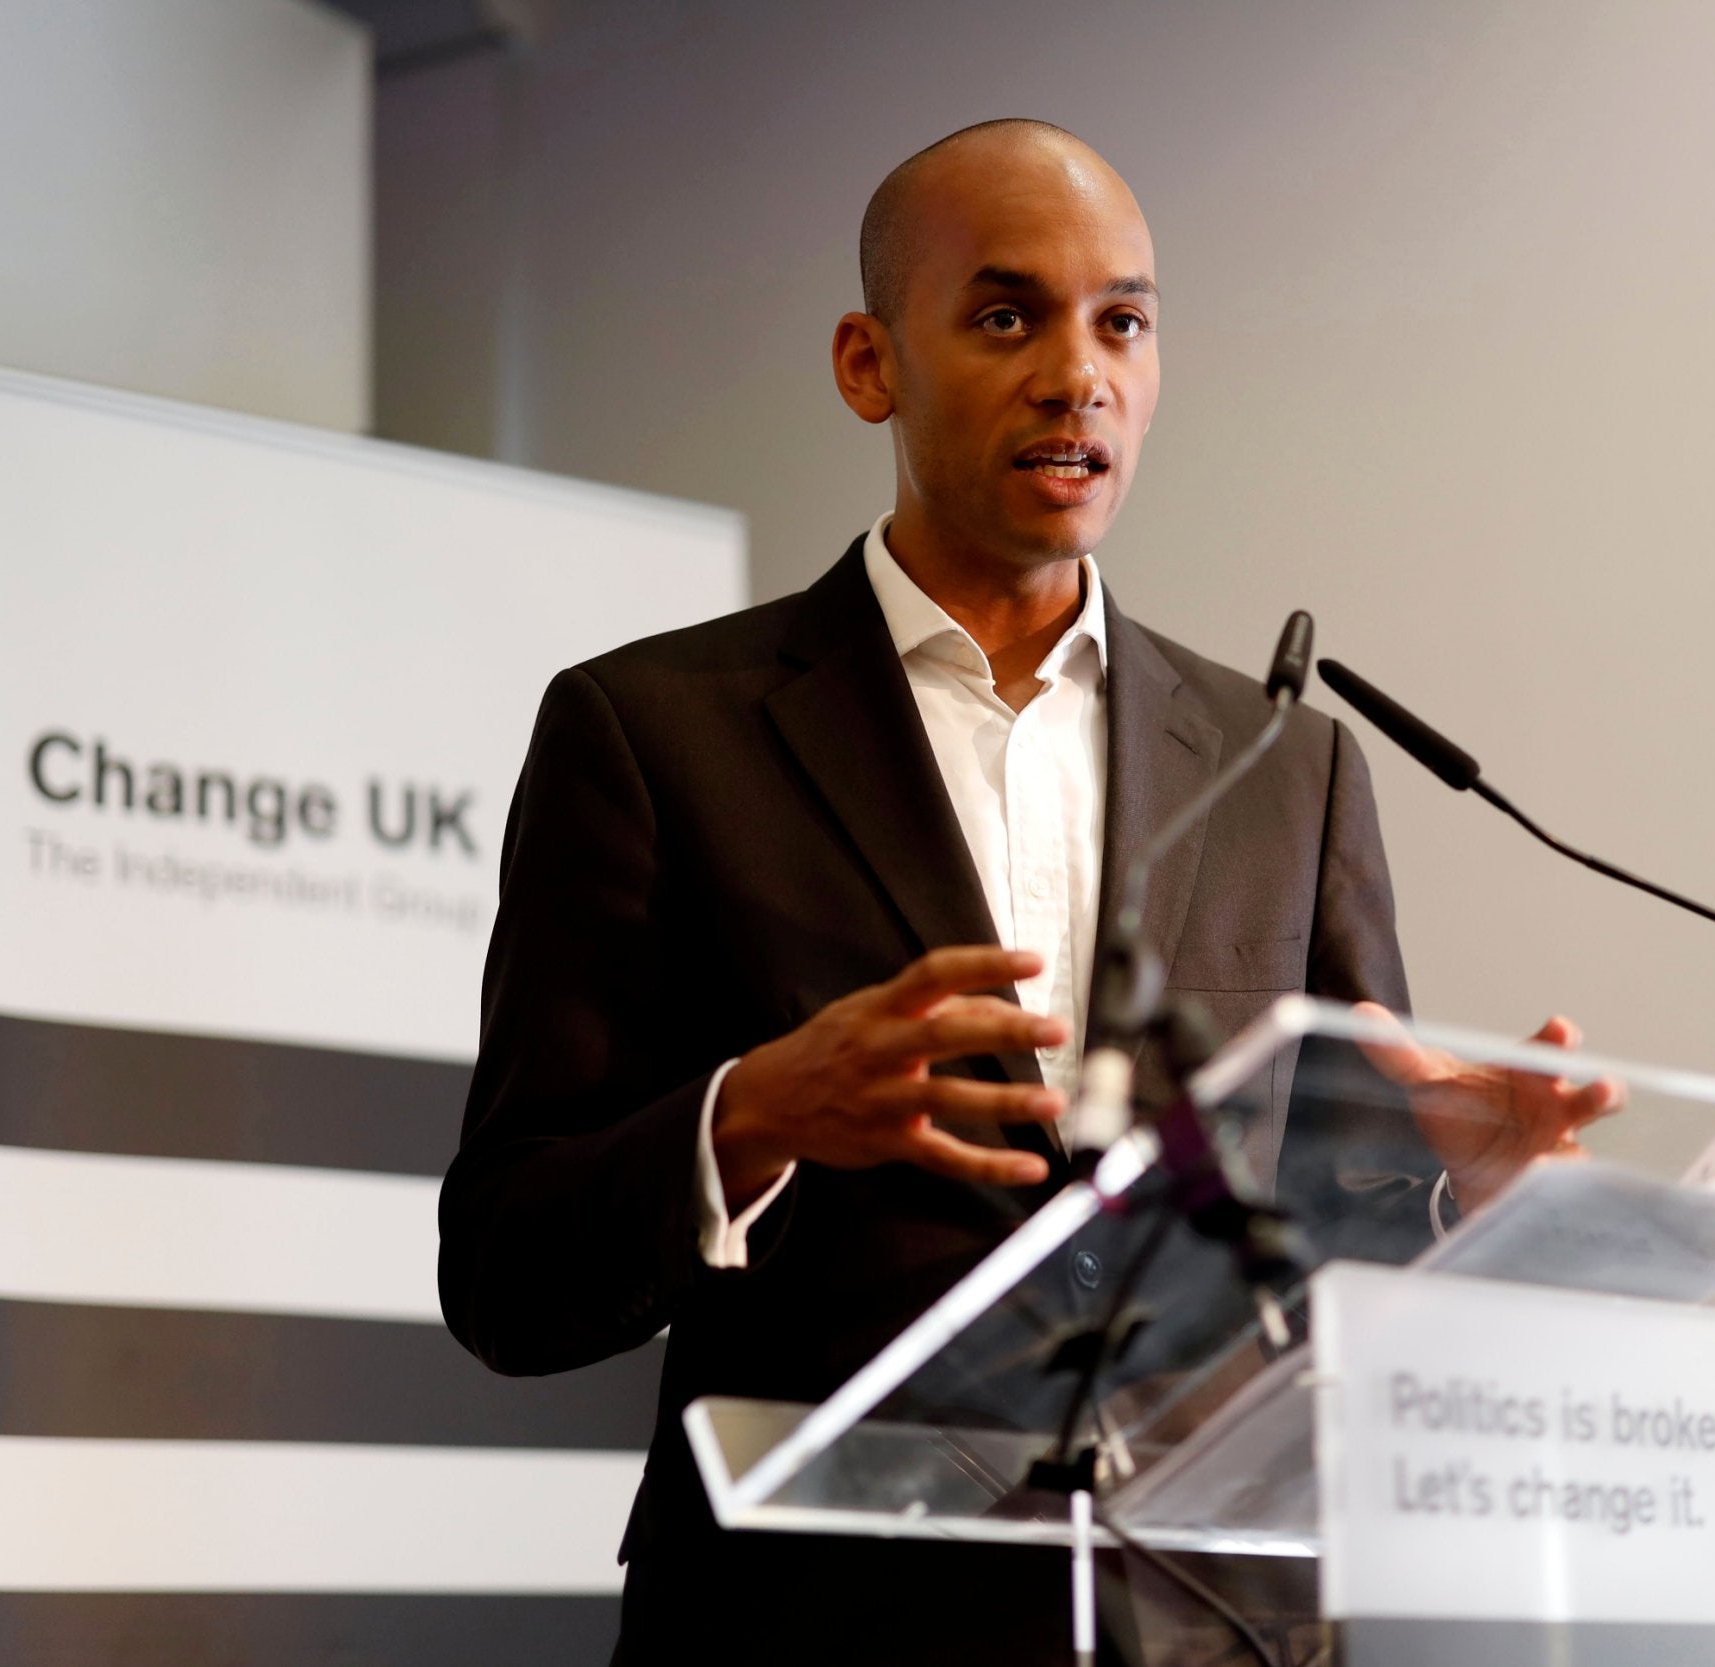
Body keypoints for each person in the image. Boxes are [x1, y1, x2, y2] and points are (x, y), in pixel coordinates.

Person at [439, 118, 1620, 1666]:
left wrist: (1461, 1187)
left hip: (1212, 1625)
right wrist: (756, 1114)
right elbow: (509, 1274)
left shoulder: (1285, 767)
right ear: (872, 365)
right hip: (819, 1624)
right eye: (1009, 318)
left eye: (1122, 321)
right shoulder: (656, 736)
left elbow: (1321, 1252)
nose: (1081, 374)